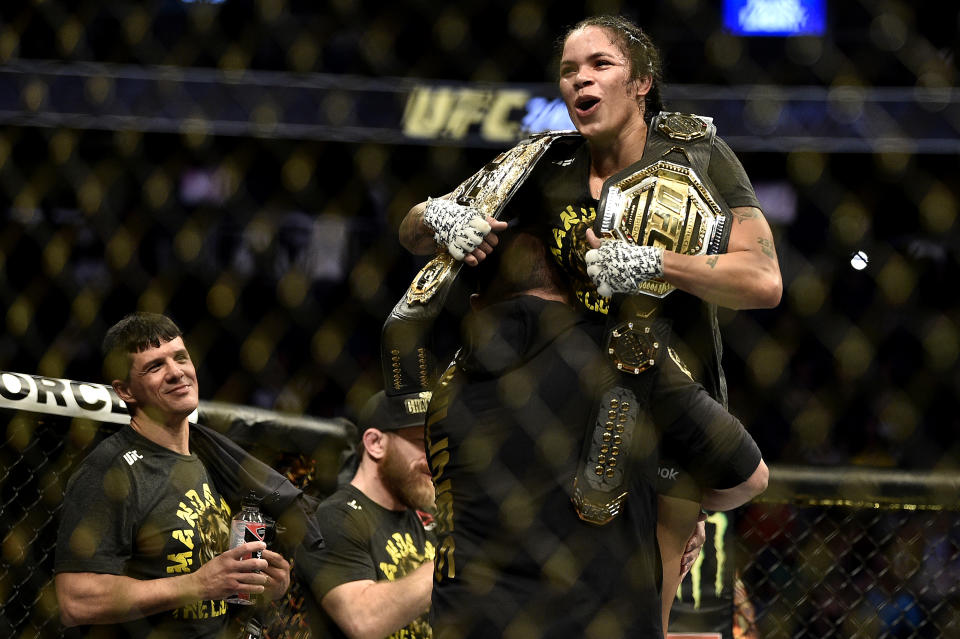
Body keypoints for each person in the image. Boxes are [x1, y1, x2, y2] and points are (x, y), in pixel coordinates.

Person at [399, 14, 782, 635]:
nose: (581, 80)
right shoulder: (545, 164)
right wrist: (439, 217)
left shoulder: (695, 155)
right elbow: (412, 229)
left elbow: (763, 281)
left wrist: (655, 261)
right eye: (569, 70)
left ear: (642, 84)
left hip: (666, 405)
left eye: (601, 65)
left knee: (659, 618)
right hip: (567, 419)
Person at [425, 227, 767, 638]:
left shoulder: (445, 386)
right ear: (575, 290)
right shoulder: (623, 352)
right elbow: (751, 476)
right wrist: (668, 495)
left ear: (477, 305)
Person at [54, 312, 292, 638]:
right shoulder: (111, 469)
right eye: (155, 366)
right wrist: (196, 584)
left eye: (180, 358)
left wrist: (262, 584)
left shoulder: (212, 461)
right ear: (125, 391)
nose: (176, 372)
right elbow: (74, 600)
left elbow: (217, 587)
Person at [295, 390, 437, 639]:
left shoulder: (425, 521)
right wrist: (455, 557)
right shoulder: (335, 518)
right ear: (375, 443)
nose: (434, 460)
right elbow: (363, 620)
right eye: (422, 443)